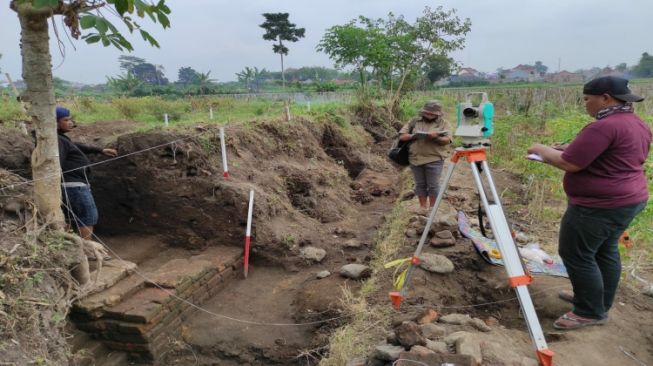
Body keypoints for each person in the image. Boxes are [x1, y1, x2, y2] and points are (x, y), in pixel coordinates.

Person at [527, 76, 650, 330]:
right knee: (604, 250)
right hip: (629, 198)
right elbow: (602, 152)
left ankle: (589, 311)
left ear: (605, 98)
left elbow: (570, 163)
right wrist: (567, 147)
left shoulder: (603, 126)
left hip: (599, 206)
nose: (585, 104)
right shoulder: (635, 122)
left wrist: (541, 148)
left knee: (577, 253)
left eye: (587, 99)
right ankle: (596, 300)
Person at [56, 106, 118, 240]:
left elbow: (77, 146)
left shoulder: (61, 139)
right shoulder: (58, 140)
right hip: (73, 186)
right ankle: (88, 251)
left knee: (70, 217)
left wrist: (100, 150)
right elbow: (57, 163)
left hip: (72, 185)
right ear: (55, 123)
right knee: (87, 216)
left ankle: (75, 249)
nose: (71, 122)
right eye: (66, 120)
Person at [399, 100, 452, 212]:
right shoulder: (414, 121)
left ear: (438, 114)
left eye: (432, 114)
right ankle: (422, 207)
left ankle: (433, 209)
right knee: (420, 184)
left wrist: (435, 137)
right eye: (427, 113)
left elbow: (447, 140)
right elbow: (402, 137)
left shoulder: (444, 123)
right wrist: (415, 136)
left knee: (433, 185)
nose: (429, 115)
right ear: (422, 112)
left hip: (434, 158)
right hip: (415, 158)